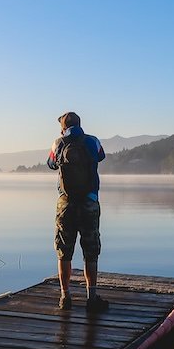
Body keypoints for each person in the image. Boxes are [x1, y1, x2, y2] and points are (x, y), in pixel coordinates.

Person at [47, 111, 108, 312]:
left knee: (64, 251)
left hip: (65, 203)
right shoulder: (93, 141)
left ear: (63, 127)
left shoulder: (58, 143)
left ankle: (65, 297)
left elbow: (50, 164)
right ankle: (91, 298)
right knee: (91, 251)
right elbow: (101, 156)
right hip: (90, 202)